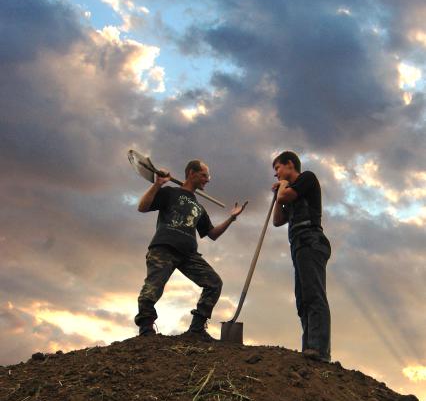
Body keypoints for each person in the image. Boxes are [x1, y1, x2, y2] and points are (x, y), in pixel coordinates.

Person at [135, 159, 247, 340]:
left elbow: (212, 233)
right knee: (153, 287)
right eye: (204, 175)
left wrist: (231, 219)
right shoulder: (170, 193)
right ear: (191, 173)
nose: (207, 180)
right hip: (164, 247)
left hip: (188, 254)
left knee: (214, 283)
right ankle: (146, 328)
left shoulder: (199, 207)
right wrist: (157, 184)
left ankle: (196, 329)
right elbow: (142, 207)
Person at [272, 151, 331, 362]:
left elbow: (285, 195)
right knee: (303, 299)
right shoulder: (289, 192)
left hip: (311, 240)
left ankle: (319, 349)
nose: (276, 174)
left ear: (289, 164)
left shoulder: (307, 178)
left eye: (277, 168)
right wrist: (278, 197)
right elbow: (277, 221)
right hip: (298, 244)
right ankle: (309, 347)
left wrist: (282, 188)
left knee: (314, 294)